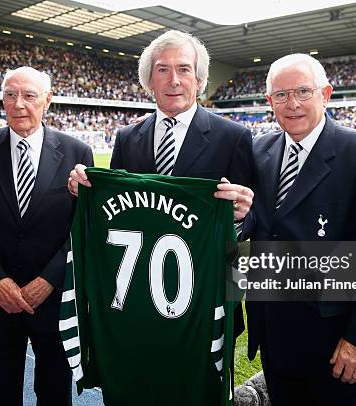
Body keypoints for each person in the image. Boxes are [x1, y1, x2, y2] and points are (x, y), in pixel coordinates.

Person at [68, 28, 254, 376]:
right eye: (162, 69)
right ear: (149, 81)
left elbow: (250, 233)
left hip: (203, 303)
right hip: (137, 303)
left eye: (184, 69)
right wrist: (87, 192)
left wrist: (243, 216)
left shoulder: (234, 137)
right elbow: (115, 215)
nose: (174, 80)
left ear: (199, 81)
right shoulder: (127, 138)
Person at [242, 54, 356, 405]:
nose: (293, 104)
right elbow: (257, 227)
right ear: (270, 101)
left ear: (326, 94)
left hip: (338, 345)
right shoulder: (258, 151)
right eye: (281, 95)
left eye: (303, 91)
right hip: (276, 338)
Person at [0, 66, 93, 405]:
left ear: (47, 101)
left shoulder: (78, 153)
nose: (18, 104)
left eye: (29, 96)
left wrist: (49, 279)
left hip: (55, 302)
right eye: (10, 95)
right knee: (0, 394)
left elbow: (84, 225)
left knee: (55, 394)